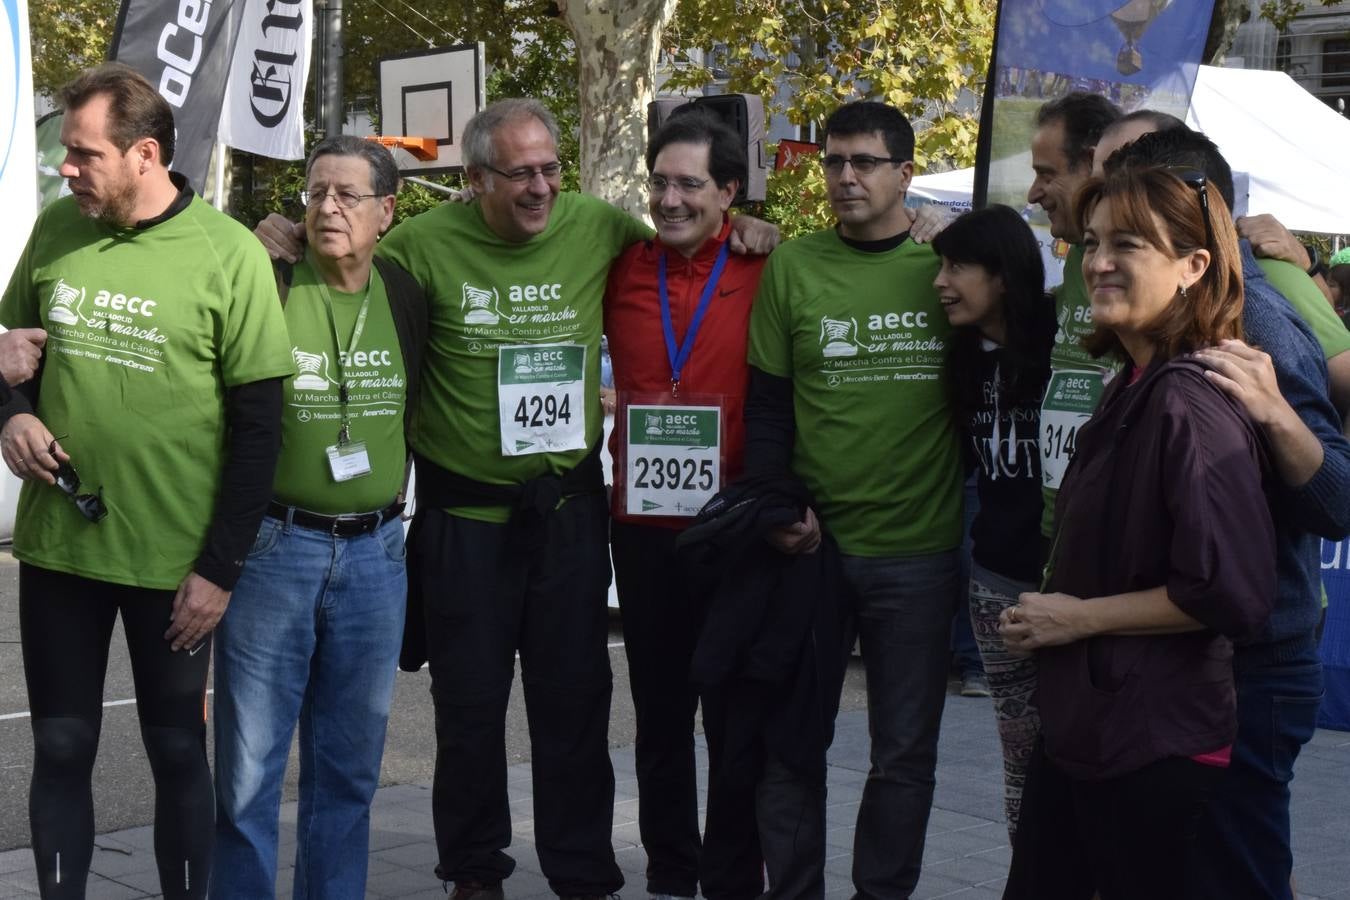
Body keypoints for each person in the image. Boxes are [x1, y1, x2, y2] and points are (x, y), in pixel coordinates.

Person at [253, 98, 780, 900]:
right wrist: (277, 241)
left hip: (567, 514)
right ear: (473, 181)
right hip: (463, 521)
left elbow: (688, 242)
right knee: (468, 712)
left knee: (574, 706)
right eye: (519, 174)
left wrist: (750, 229)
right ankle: (474, 873)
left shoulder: (600, 227)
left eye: (550, 170)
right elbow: (344, 275)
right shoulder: (419, 247)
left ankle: (581, 873)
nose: (540, 189)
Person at [0, 63, 293, 899]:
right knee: (60, 747)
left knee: (175, 750)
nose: (67, 168)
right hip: (60, 550)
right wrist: (10, 413)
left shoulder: (227, 253)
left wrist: (220, 571)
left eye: (84, 154)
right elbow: (5, 351)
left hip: (176, 567)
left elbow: (260, 432)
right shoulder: (59, 229)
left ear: (145, 154)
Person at [1001, 165, 1277, 900]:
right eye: (1092, 243)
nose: (1097, 263)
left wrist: (1076, 619)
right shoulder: (1136, 381)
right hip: (1096, 731)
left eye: (1127, 244)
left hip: (1151, 745)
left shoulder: (1189, 401)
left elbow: (1231, 593)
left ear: (1194, 266)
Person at [1095, 125, 1350, 900]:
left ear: (1193, 238)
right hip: (1186, 664)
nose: (1100, 253)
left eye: (1130, 233)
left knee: (1237, 871)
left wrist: (1278, 416)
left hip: (1253, 668)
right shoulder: (1147, 330)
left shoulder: (1257, 321)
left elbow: (1338, 499)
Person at [744, 100, 960, 900]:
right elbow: (768, 406)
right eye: (834, 161)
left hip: (920, 551)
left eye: (864, 162)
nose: (844, 177)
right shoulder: (794, 266)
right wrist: (776, 510)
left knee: (904, 755)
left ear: (906, 172)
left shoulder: (947, 263)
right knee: (792, 745)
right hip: (813, 550)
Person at [210, 136, 427, 899]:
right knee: (246, 773)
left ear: (386, 212)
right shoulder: (266, 276)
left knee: (349, 772)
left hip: (376, 556)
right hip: (276, 548)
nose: (327, 208)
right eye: (315, 192)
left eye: (347, 196)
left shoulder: (404, 293)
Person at [604, 108, 768, 900]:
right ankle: (673, 869)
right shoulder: (620, 266)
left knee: (734, 714)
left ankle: (735, 871)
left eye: (690, 185)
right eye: (660, 182)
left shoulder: (768, 265)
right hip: (640, 532)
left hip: (734, 528)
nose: (670, 200)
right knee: (659, 710)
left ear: (729, 192)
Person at [931, 205, 1054, 839]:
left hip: (1080, 592)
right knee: (1021, 759)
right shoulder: (964, 360)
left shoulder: (1067, 342)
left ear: (1003, 275)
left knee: (1084, 754)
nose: (940, 282)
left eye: (957, 267)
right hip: (997, 588)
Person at [1024, 92, 1120, 538]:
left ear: (1091, 163)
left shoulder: (1201, 269)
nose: (1032, 193)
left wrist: (1309, 267)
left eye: (1046, 174)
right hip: (1058, 528)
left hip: (1114, 539)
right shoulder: (1074, 259)